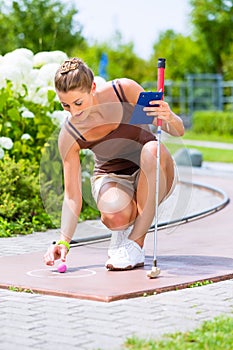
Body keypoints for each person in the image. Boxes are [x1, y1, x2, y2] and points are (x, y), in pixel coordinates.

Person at [44, 57, 184, 271]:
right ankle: (126, 228)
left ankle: (135, 244)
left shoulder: (124, 92)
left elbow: (177, 130)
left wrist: (169, 116)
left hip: (154, 168)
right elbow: (72, 197)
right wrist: (63, 241)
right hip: (113, 177)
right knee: (114, 215)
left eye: (78, 103)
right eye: (65, 105)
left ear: (92, 88)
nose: (74, 112)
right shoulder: (70, 134)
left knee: (152, 149)